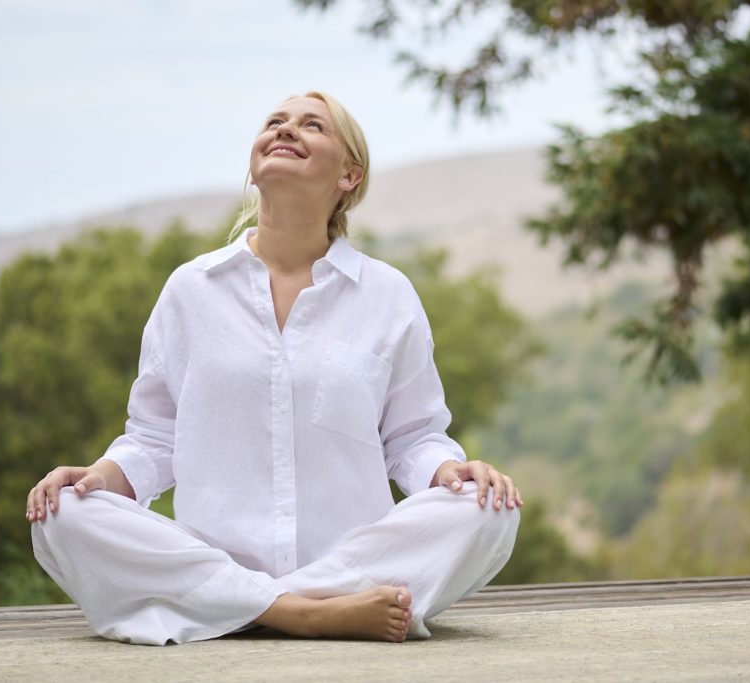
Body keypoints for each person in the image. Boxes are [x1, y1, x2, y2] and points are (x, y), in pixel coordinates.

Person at [27, 91, 522, 646]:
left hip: (346, 563)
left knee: (491, 511)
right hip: (221, 560)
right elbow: (155, 436)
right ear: (255, 161)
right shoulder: (191, 291)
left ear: (349, 176)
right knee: (62, 512)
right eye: (275, 123)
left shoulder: (388, 296)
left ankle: (239, 606)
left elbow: (411, 437)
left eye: (312, 125)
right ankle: (306, 612)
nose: (286, 130)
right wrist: (100, 478)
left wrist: (447, 473)